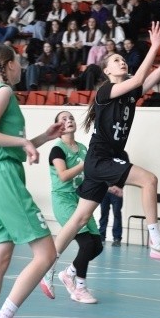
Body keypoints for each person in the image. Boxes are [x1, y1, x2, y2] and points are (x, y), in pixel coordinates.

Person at [41, 19, 160, 303]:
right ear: (107, 70)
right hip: (99, 159)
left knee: (79, 218)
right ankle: (157, 242)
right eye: (116, 60)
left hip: (103, 161)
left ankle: (51, 269)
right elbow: (139, 77)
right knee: (149, 180)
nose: (122, 62)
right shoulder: (105, 91)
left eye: (123, 59)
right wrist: (155, 45)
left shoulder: (131, 93)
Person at [0, 44, 63, 318]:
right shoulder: (3, 92)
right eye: (19, 62)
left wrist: (42, 137)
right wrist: (24, 143)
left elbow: (3, 143)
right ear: (8, 64)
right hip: (4, 179)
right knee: (47, 253)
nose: (21, 67)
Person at [46, 111, 104, 304]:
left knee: (97, 246)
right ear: (58, 126)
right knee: (87, 244)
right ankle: (80, 288)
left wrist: (109, 183)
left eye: (70, 118)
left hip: (81, 199)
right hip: (64, 200)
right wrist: (85, 165)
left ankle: (68, 273)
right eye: (63, 119)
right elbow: (63, 175)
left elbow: (90, 173)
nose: (69, 120)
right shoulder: (57, 149)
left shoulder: (82, 148)